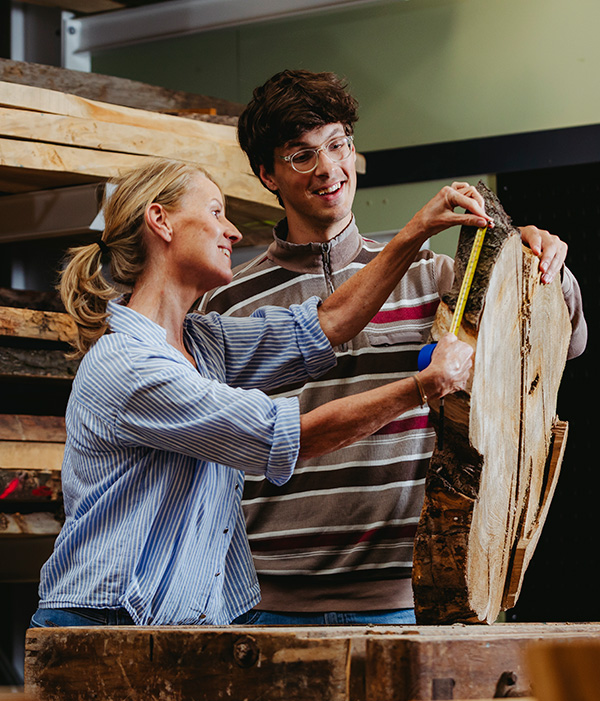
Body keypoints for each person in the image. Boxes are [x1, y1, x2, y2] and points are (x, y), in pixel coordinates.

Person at [29, 158, 490, 629]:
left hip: (165, 625)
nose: (231, 231)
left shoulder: (206, 344)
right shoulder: (128, 364)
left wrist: (414, 232)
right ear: (160, 220)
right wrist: (425, 385)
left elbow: (327, 324)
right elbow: (284, 436)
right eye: (214, 212)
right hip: (100, 621)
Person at [201, 69, 588, 627]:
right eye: (301, 156)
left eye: (337, 145)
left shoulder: (436, 280)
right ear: (267, 175)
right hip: (267, 601)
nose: (328, 169)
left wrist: (545, 268)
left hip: (406, 598)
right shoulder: (227, 304)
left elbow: (567, 343)